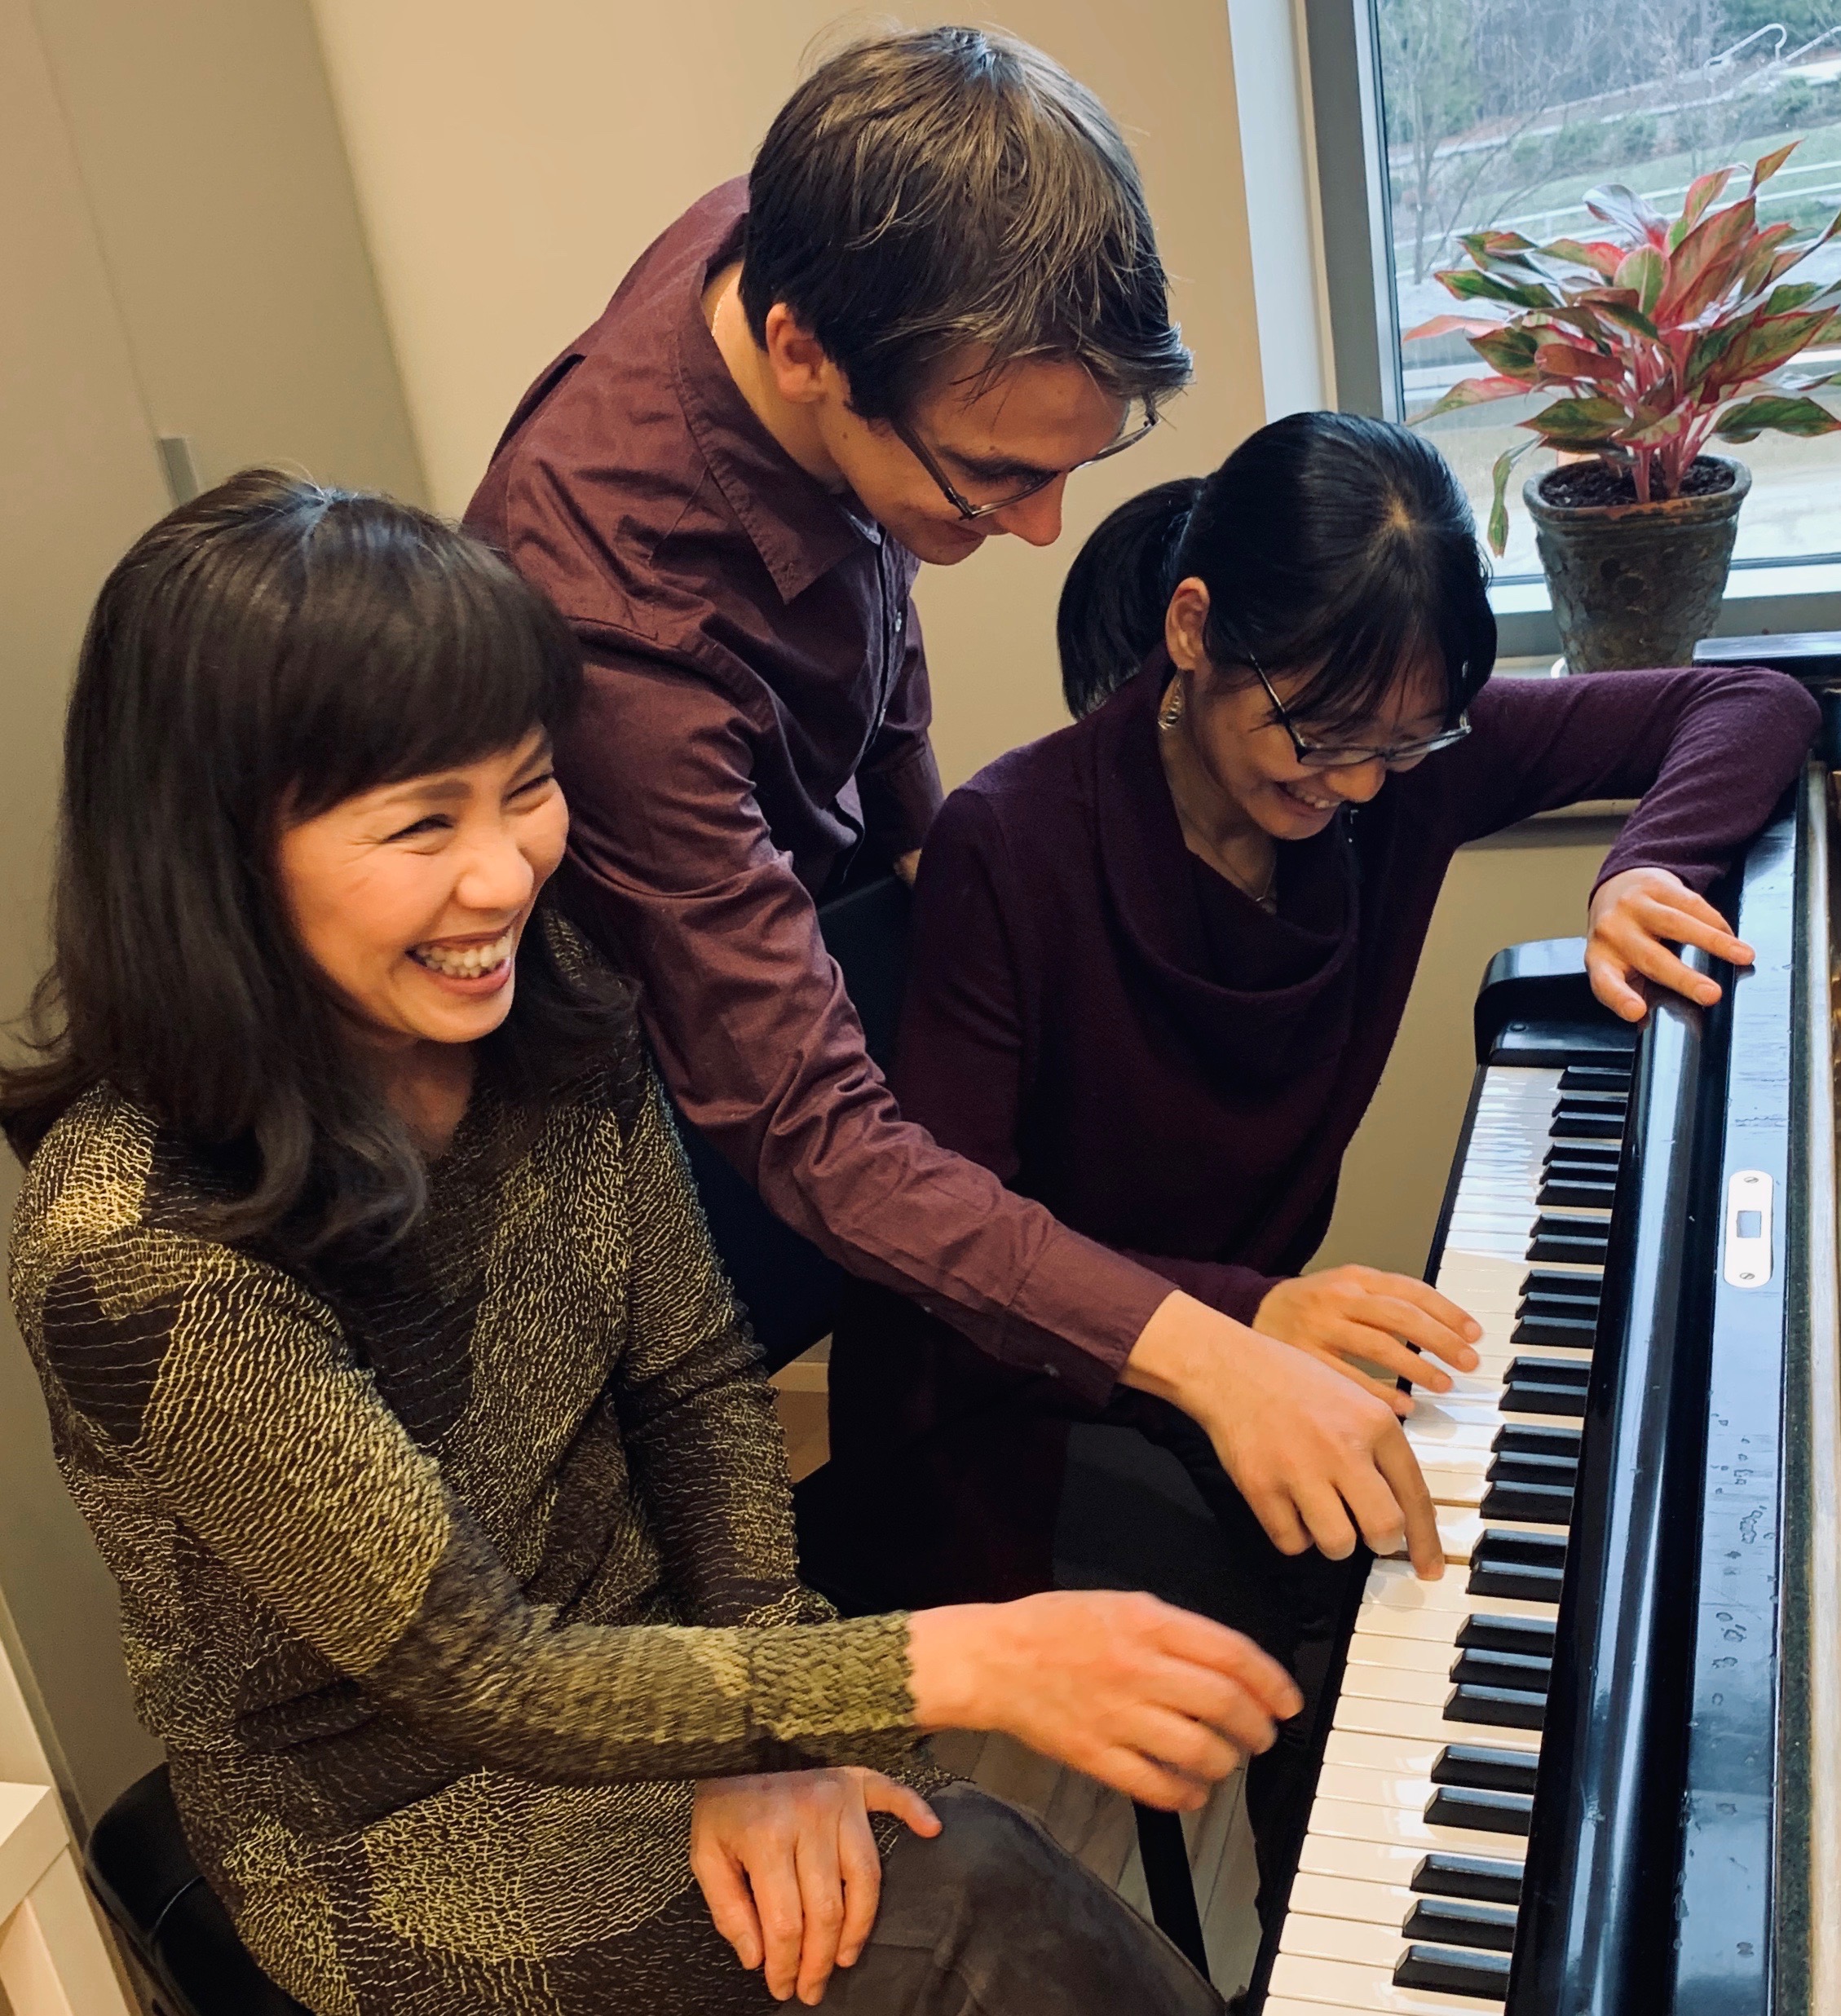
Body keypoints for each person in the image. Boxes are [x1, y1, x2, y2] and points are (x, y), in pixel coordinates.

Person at [0, 474, 1304, 2016]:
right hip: (405, 1824)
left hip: (658, 1653)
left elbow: (690, 1377)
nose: (505, 874)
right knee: (964, 1906)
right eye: (424, 822)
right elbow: (486, 1673)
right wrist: (944, 1662)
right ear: (216, 852)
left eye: (527, 785)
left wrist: (771, 1715)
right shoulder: (138, 1253)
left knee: (940, 1868)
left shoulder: (537, 992)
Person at [467, 25, 1447, 1590]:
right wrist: (1204, 1345)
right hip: (624, 1109)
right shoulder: (622, 631)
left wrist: (925, 821)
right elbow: (815, 1136)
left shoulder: (786, 225)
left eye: (1074, 465)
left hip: (797, 934)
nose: (1051, 530)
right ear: (804, 353)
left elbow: (867, 574)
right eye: (995, 479)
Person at [814, 410, 1821, 1899]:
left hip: (1238, 1347)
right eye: (1316, 734)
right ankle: (1322, 1941)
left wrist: (1645, 864)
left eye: (1399, 742)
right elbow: (950, 1251)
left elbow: (1748, 704)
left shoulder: (1401, 767)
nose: (1354, 785)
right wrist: (1241, 1315)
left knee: (1431, 1532)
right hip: (1004, 1409)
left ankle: (1335, 1907)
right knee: (1370, 1594)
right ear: (1192, 629)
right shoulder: (1010, 839)